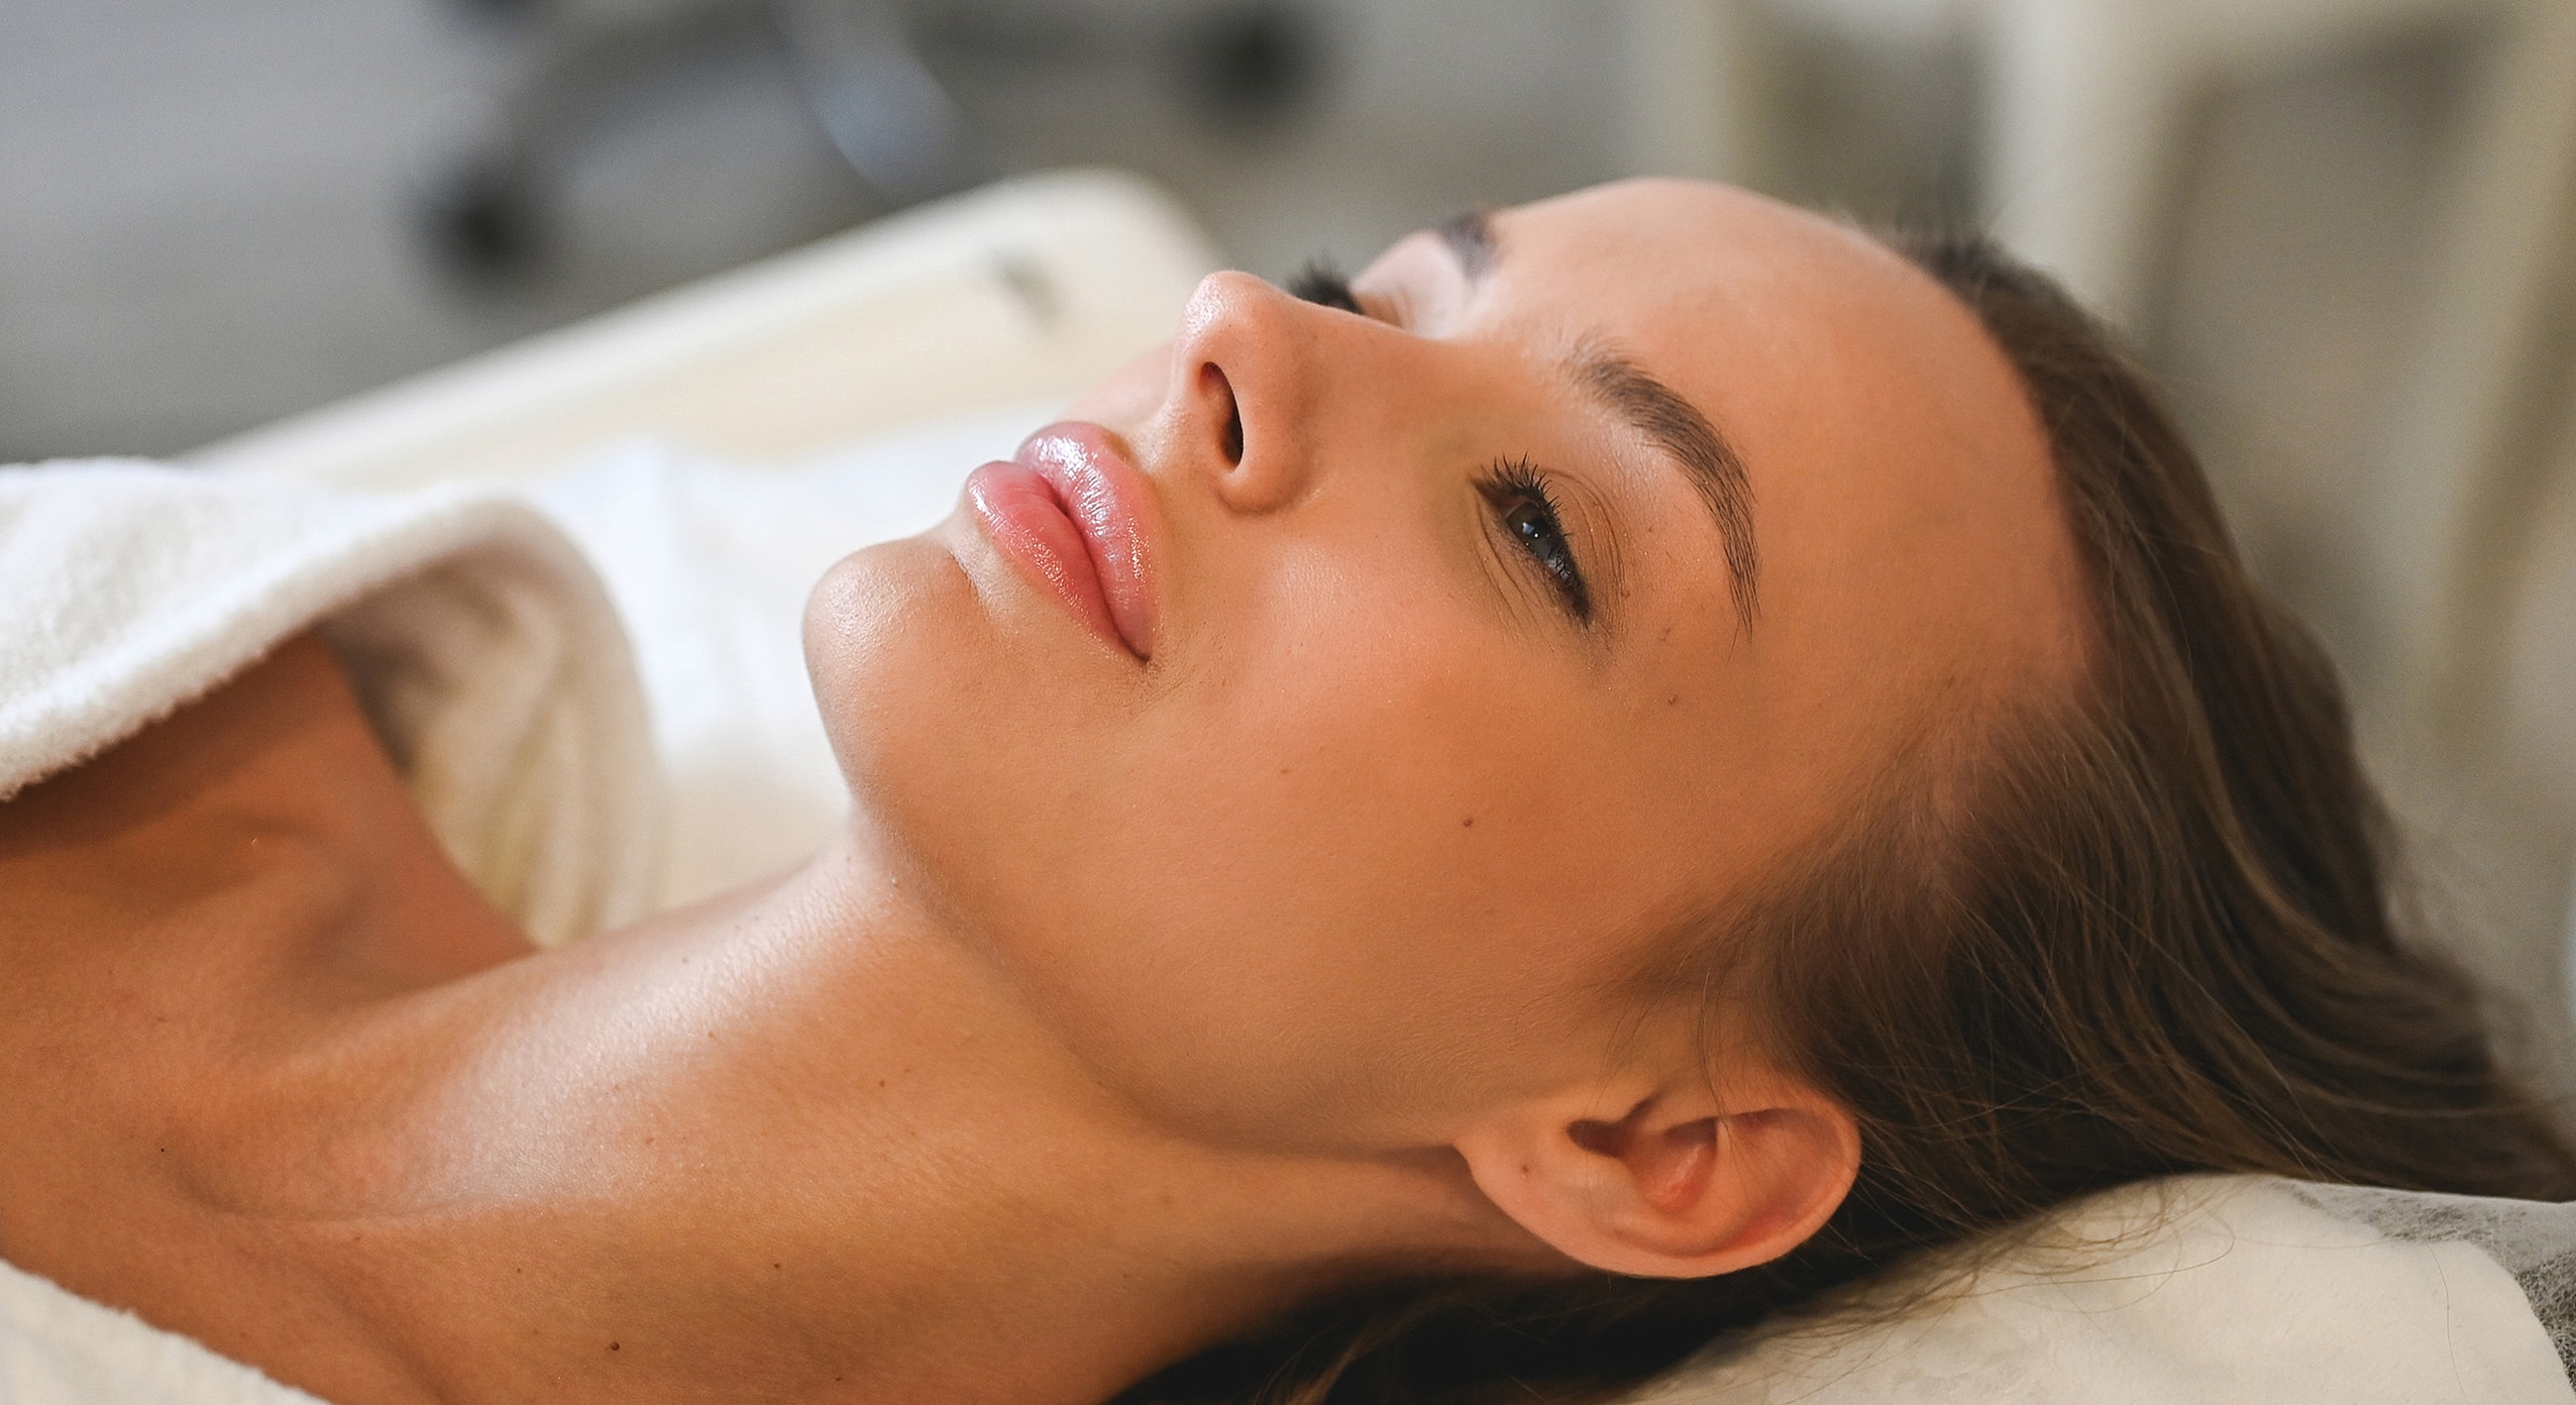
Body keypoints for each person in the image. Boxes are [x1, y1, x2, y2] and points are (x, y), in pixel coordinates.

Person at [1, 177, 2569, 1405]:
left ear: (1650, 1137)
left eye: (1547, 525)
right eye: (1385, 285)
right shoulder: (231, 706)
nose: (1239, 329)